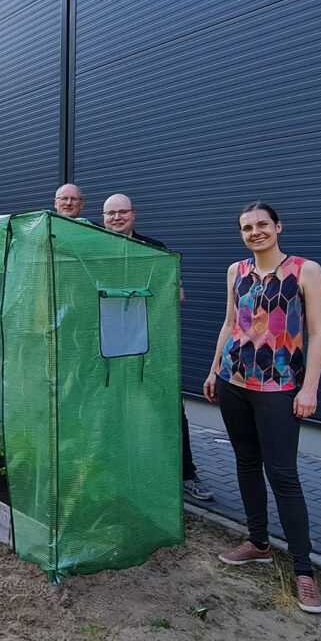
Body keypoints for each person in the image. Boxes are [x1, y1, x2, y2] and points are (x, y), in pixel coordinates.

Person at [204, 201, 321, 614]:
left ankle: (304, 572)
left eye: (262, 225)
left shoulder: (304, 270)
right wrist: (213, 368)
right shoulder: (235, 272)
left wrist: (308, 389)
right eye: (246, 227)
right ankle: (258, 543)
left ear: (278, 226)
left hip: (278, 388)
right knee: (245, 463)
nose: (255, 232)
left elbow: (317, 332)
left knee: (284, 476)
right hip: (233, 382)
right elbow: (229, 323)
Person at [101, 193, 213, 503]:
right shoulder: (92, 247)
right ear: (103, 216)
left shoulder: (156, 250)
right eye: (111, 213)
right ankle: (121, 469)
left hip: (150, 345)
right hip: (105, 346)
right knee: (113, 407)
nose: (117, 218)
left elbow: (177, 296)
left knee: (169, 409)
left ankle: (186, 473)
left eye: (123, 212)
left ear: (133, 215)